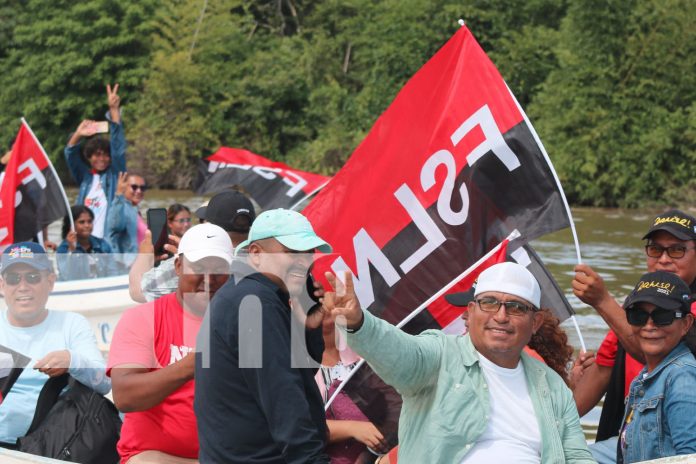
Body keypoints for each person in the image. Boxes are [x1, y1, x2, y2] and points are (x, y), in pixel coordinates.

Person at [323, 261, 594, 463]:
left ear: (534, 323)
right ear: (470, 312)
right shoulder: (439, 356)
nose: (501, 316)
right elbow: (398, 352)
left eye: (516, 307)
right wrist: (359, 323)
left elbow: (576, 455)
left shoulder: (552, 386)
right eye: (489, 303)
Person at [194, 209, 332, 463]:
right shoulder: (255, 302)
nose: (304, 261)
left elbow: (301, 372)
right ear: (256, 254)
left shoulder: (248, 292)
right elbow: (284, 398)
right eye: (292, 251)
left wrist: (307, 327)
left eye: (308, 251)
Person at [572, 209, 696, 460]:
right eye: (655, 249)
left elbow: (657, 353)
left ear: (685, 324)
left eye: (676, 250)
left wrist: (603, 301)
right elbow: (577, 403)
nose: (663, 259)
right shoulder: (631, 310)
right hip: (630, 440)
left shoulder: (681, 369)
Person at [107, 224, 233, 463]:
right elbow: (124, 397)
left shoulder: (247, 322)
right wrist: (190, 366)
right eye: (199, 267)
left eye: (218, 268)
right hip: (157, 457)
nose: (209, 278)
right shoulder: (143, 318)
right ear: (178, 267)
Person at [0, 242, 110, 446]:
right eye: (14, 279)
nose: (23, 287)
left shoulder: (71, 324)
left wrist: (72, 360)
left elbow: (105, 382)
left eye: (33, 277)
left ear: (50, 281)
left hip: (53, 444)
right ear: (2, 285)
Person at [618, 271, 696, 463]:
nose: (649, 325)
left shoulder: (682, 377)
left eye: (663, 316)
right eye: (638, 316)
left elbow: (690, 457)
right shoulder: (645, 376)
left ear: (686, 324)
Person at [128, 190, 255, 303]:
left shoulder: (189, 266)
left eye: (202, 220)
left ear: (210, 225)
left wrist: (145, 254)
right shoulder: (263, 259)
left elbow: (138, 291)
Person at [64, 84, 125, 239]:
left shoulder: (115, 174)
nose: (102, 159)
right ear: (89, 158)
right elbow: (70, 153)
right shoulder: (85, 177)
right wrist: (78, 133)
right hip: (85, 242)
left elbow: (118, 148)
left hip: (107, 242)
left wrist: (114, 111)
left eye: (105, 155)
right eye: (97, 155)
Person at [56, 205, 119, 281]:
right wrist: (71, 251)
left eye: (89, 221)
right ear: (71, 225)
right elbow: (66, 276)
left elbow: (113, 272)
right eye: (81, 222)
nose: (87, 225)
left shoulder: (102, 245)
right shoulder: (63, 249)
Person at [106, 171, 147, 267]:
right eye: (134, 187)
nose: (139, 191)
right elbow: (115, 224)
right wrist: (119, 194)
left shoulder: (135, 210)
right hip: (126, 266)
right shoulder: (121, 208)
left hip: (140, 265)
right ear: (124, 187)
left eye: (142, 188)